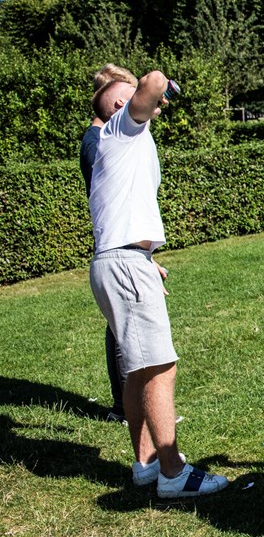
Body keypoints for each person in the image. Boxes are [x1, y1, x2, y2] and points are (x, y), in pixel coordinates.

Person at [88, 70, 229, 497]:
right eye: (131, 100)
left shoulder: (119, 143)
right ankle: (173, 473)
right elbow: (153, 79)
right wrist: (162, 88)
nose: (147, 104)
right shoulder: (120, 129)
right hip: (125, 263)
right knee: (159, 367)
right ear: (117, 106)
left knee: (137, 369)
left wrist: (145, 259)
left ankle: (146, 464)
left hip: (121, 260)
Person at [80, 63, 137, 423]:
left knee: (121, 324)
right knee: (122, 327)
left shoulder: (99, 140)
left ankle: (128, 403)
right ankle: (127, 405)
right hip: (117, 246)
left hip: (122, 245)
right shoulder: (97, 143)